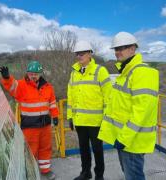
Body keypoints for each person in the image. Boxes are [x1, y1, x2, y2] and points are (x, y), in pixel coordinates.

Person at [98, 32, 159, 180]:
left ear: (133, 49)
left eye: (122, 48)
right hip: (125, 139)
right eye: (116, 49)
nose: (117, 52)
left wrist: (124, 138)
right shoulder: (126, 72)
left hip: (132, 142)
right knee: (128, 174)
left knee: (134, 176)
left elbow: (141, 112)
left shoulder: (142, 72)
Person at [0, 60, 58, 180]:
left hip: (45, 126)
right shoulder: (21, 85)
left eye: (36, 73)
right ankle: (30, 173)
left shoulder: (48, 87)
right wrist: (7, 78)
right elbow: (12, 86)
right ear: (27, 73)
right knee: (30, 151)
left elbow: (52, 103)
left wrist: (55, 116)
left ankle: (45, 170)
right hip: (30, 127)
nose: (33, 76)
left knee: (45, 148)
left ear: (40, 74)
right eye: (31, 73)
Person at [67, 41, 112, 180]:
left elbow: (109, 97)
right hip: (80, 120)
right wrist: (70, 116)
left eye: (82, 53)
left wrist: (107, 118)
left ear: (90, 54)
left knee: (98, 150)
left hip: (96, 122)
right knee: (84, 149)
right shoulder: (74, 73)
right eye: (77, 54)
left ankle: (99, 175)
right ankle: (85, 173)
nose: (79, 56)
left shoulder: (100, 71)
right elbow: (70, 96)